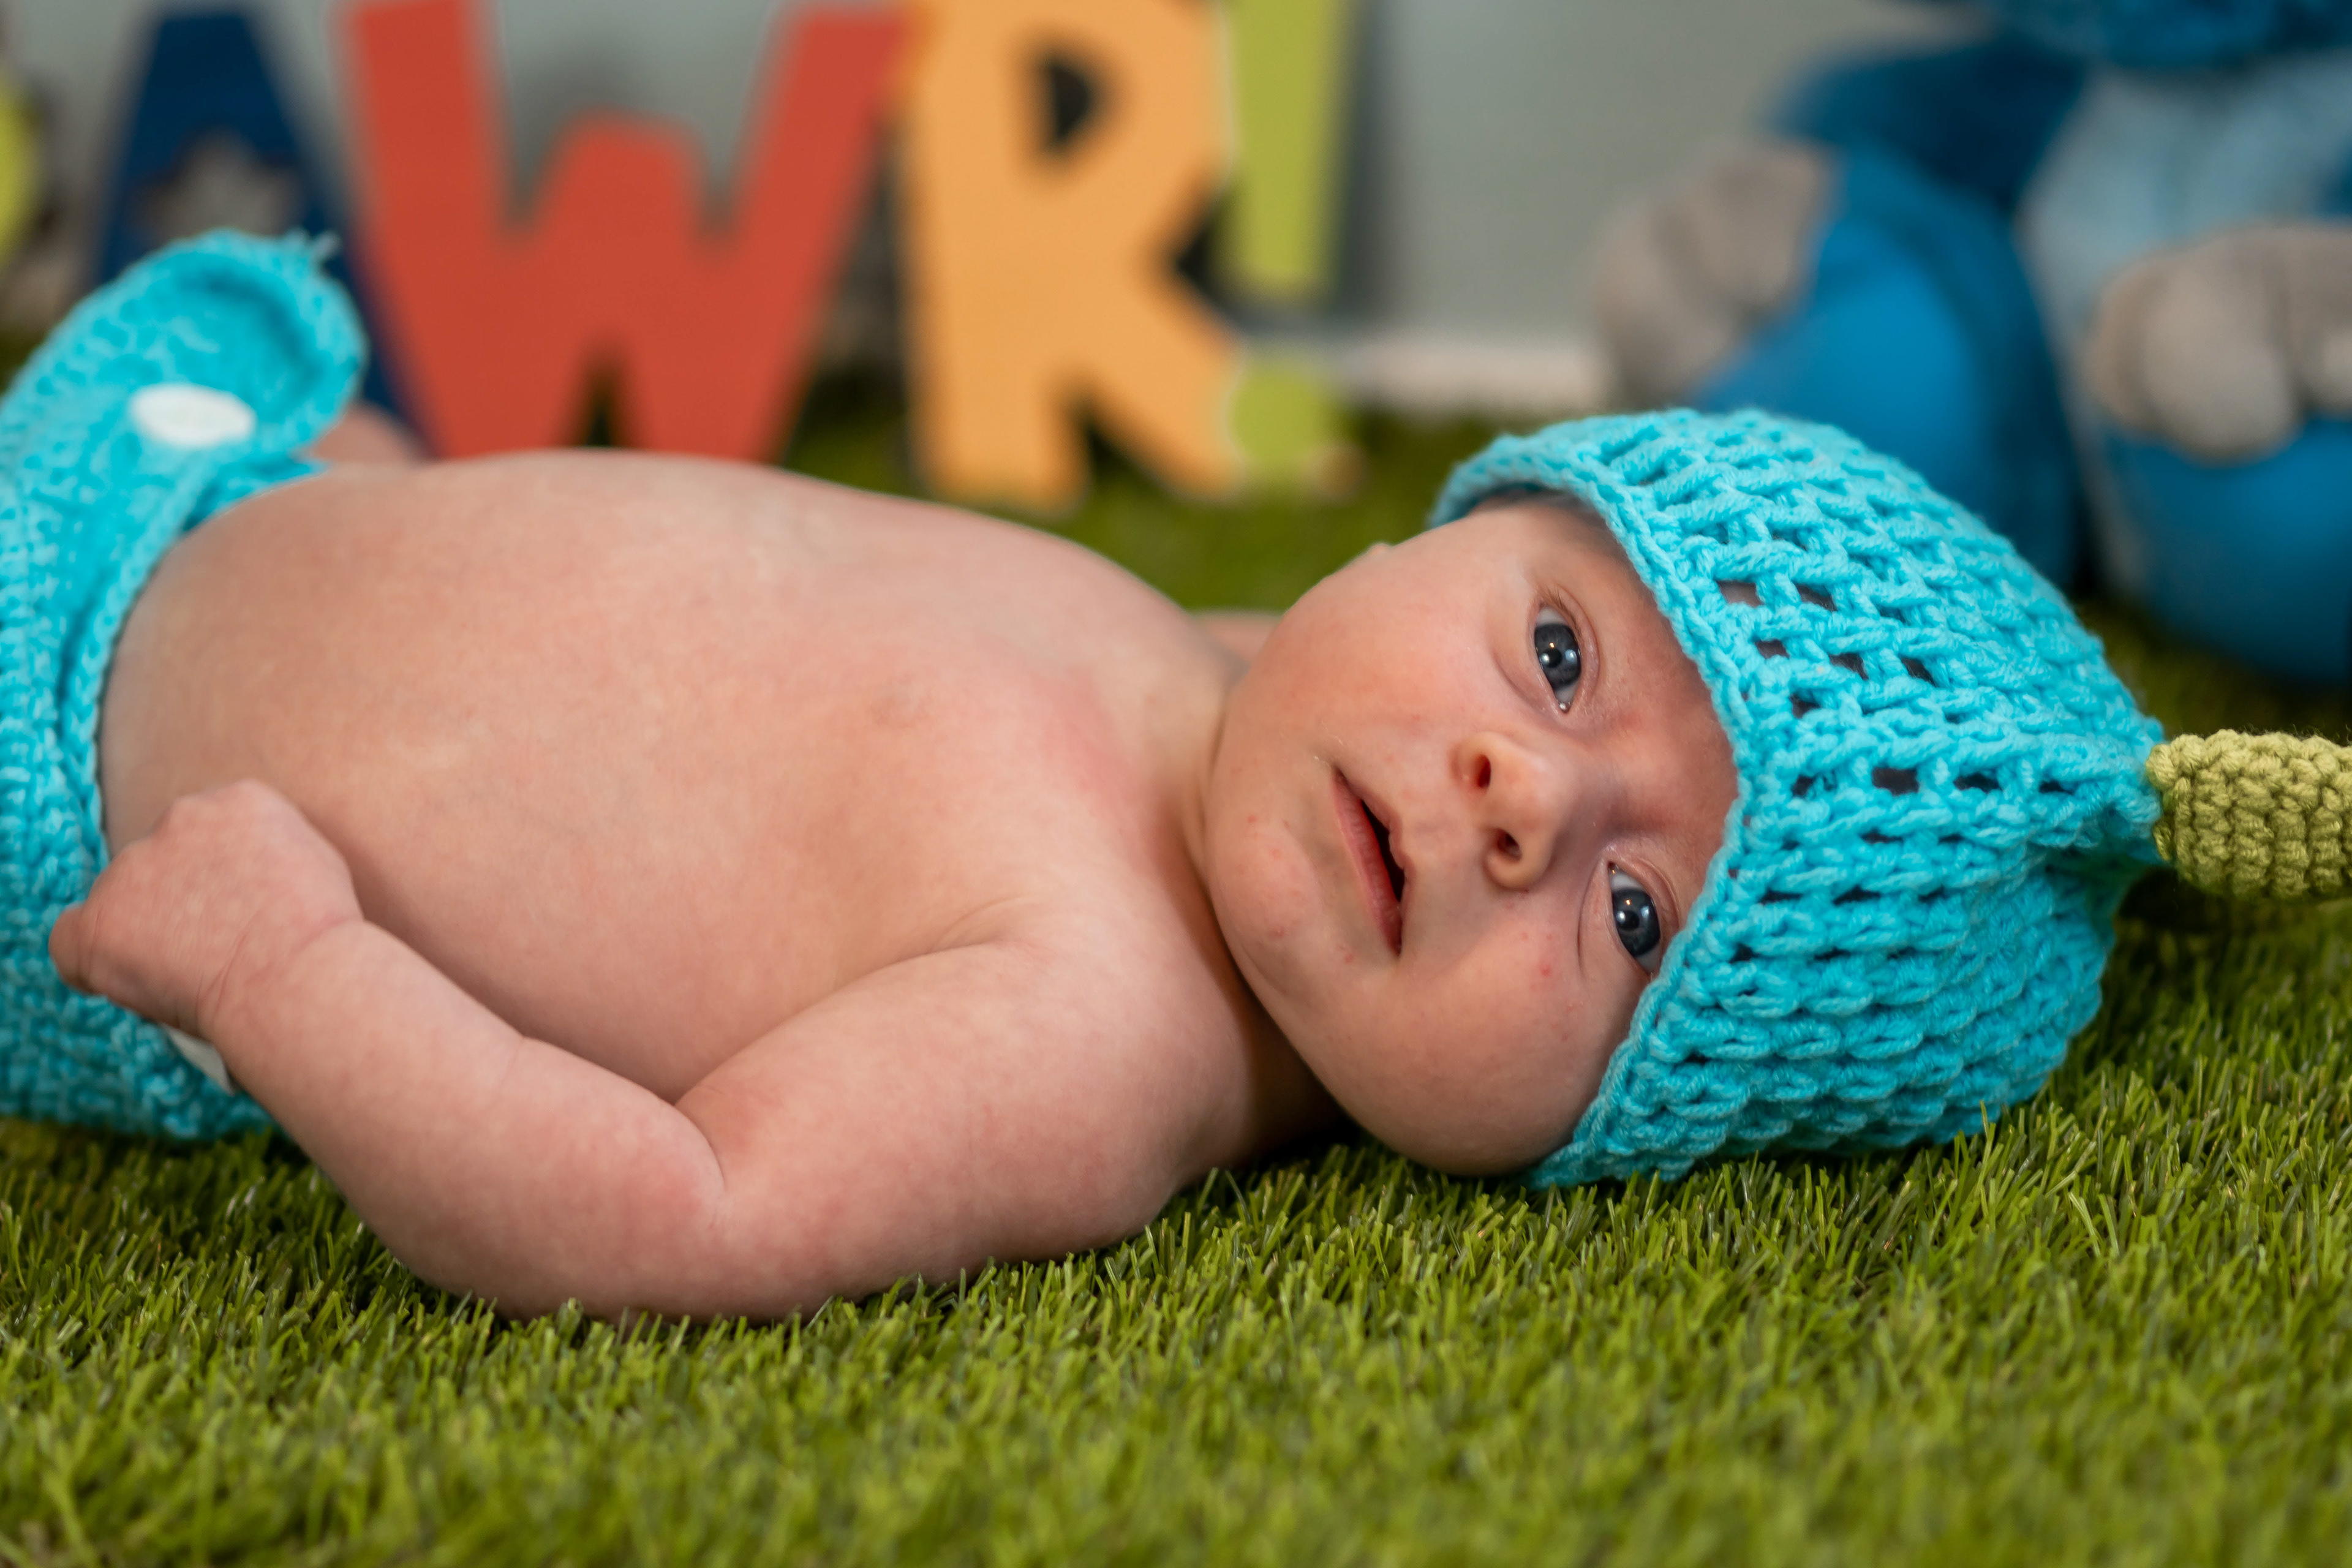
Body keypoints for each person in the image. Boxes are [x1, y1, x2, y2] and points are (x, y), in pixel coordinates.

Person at [5, 235, 2312, 1321]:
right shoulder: (1233, 680)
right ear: (1448, 522)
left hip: (78, 783)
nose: (1525, 799)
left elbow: (679, 1220)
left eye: (1637, 921)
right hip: (220, 489)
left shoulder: (1094, 1038)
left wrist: (287, 971)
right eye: (1557, 651)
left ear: (1606, 1138)